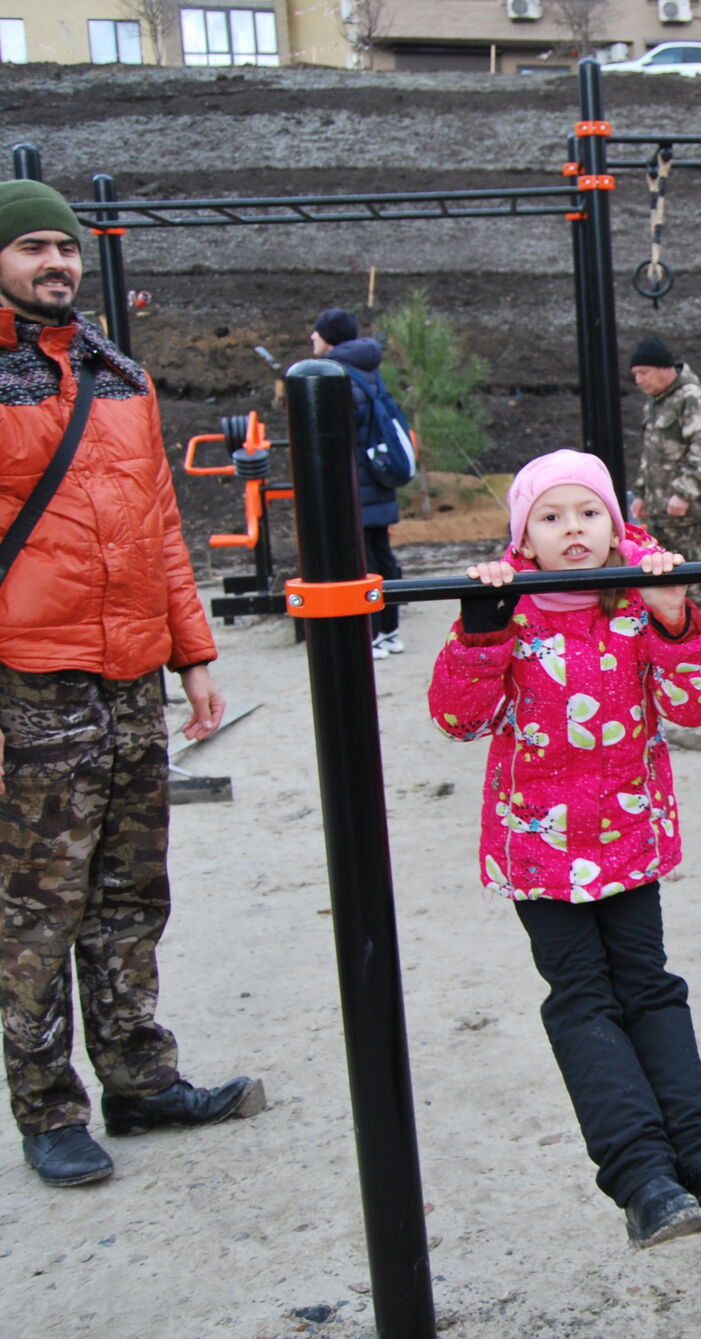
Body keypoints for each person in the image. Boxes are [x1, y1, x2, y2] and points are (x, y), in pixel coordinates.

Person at [427, 448, 701, 1248]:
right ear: (524, 536)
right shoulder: (510, 606)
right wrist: (481, 633)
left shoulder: (637, 599)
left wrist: (675, 619)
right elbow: (458, 718)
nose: (572, 529)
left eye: (588, 513)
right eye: (550, 517)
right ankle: (643, 1177)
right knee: (583, 998)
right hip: (540, 849)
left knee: (650, 988)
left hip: (627, 838)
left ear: (615, 525)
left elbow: (694, 705)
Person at [0, 179, 262, 1189]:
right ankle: (47, 1108)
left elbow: (160, 524)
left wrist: (191, 652)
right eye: (32, 247)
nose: (55, 263)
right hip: (32, 678)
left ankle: (141, 1078)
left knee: (131, 891)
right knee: (39, 905)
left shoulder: (120, 377)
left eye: (64, 248)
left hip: (130, 674)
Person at [309, 307, 404, 659]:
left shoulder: (337, 375)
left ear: (330, 336)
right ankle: (391, 631)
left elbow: (337, 435)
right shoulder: (369, 369)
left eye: (317, 331)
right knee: (382, 554)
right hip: (378, 475)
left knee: (362, 560)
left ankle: (372, 634)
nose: (312, 337)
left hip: (353, 483)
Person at [630, 337, 701, 632]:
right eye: (635, 374)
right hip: (660, 509)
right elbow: (651, 454)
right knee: (664, 579)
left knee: (695, 582)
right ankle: (675, 640)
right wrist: (641, 492)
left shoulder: (690, 397)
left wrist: (684, 492)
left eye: (643, 372)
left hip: (686, 511)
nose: (638, 380)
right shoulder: (657, 403)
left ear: (664, 368)